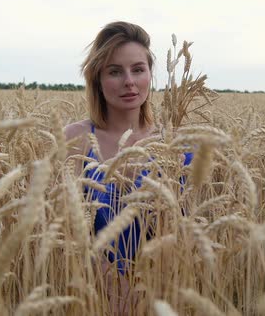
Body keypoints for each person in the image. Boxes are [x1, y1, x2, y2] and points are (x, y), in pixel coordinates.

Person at [64, 21, 158, 315]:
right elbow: (56, 229)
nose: (129, 81)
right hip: (90, 298)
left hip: (163, 297)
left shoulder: (176, 143)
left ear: (149, 74)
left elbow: (191, 232)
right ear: (97, 79)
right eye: (115, 71)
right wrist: (115, 290)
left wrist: (150, 296)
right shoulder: (74, 139)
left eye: (138, 69)